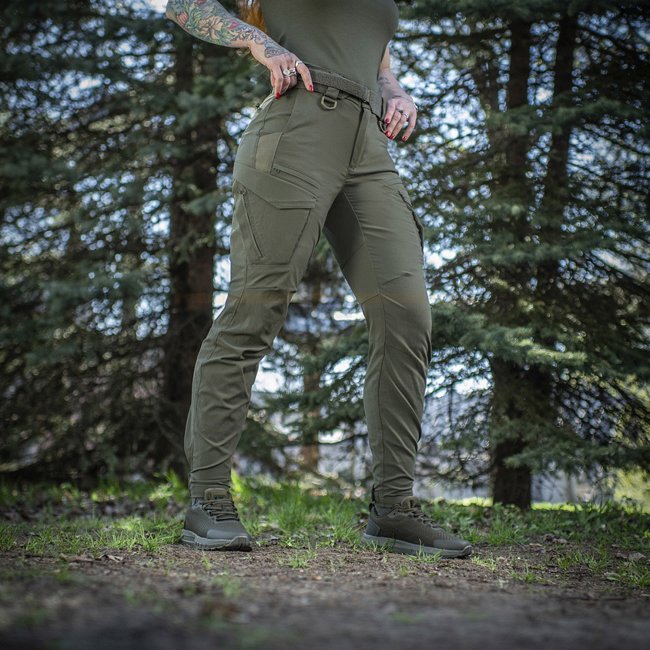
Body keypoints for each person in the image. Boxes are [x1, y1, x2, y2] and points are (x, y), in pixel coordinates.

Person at [165, 0, 472, 559]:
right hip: (295, 130)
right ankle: (208, 500)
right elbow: (184, 4)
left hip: (369, 147)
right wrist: (260, 42)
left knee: (406, 316)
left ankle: (393, 510)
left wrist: (397, 91)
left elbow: (376, 58)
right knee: (254, 311)